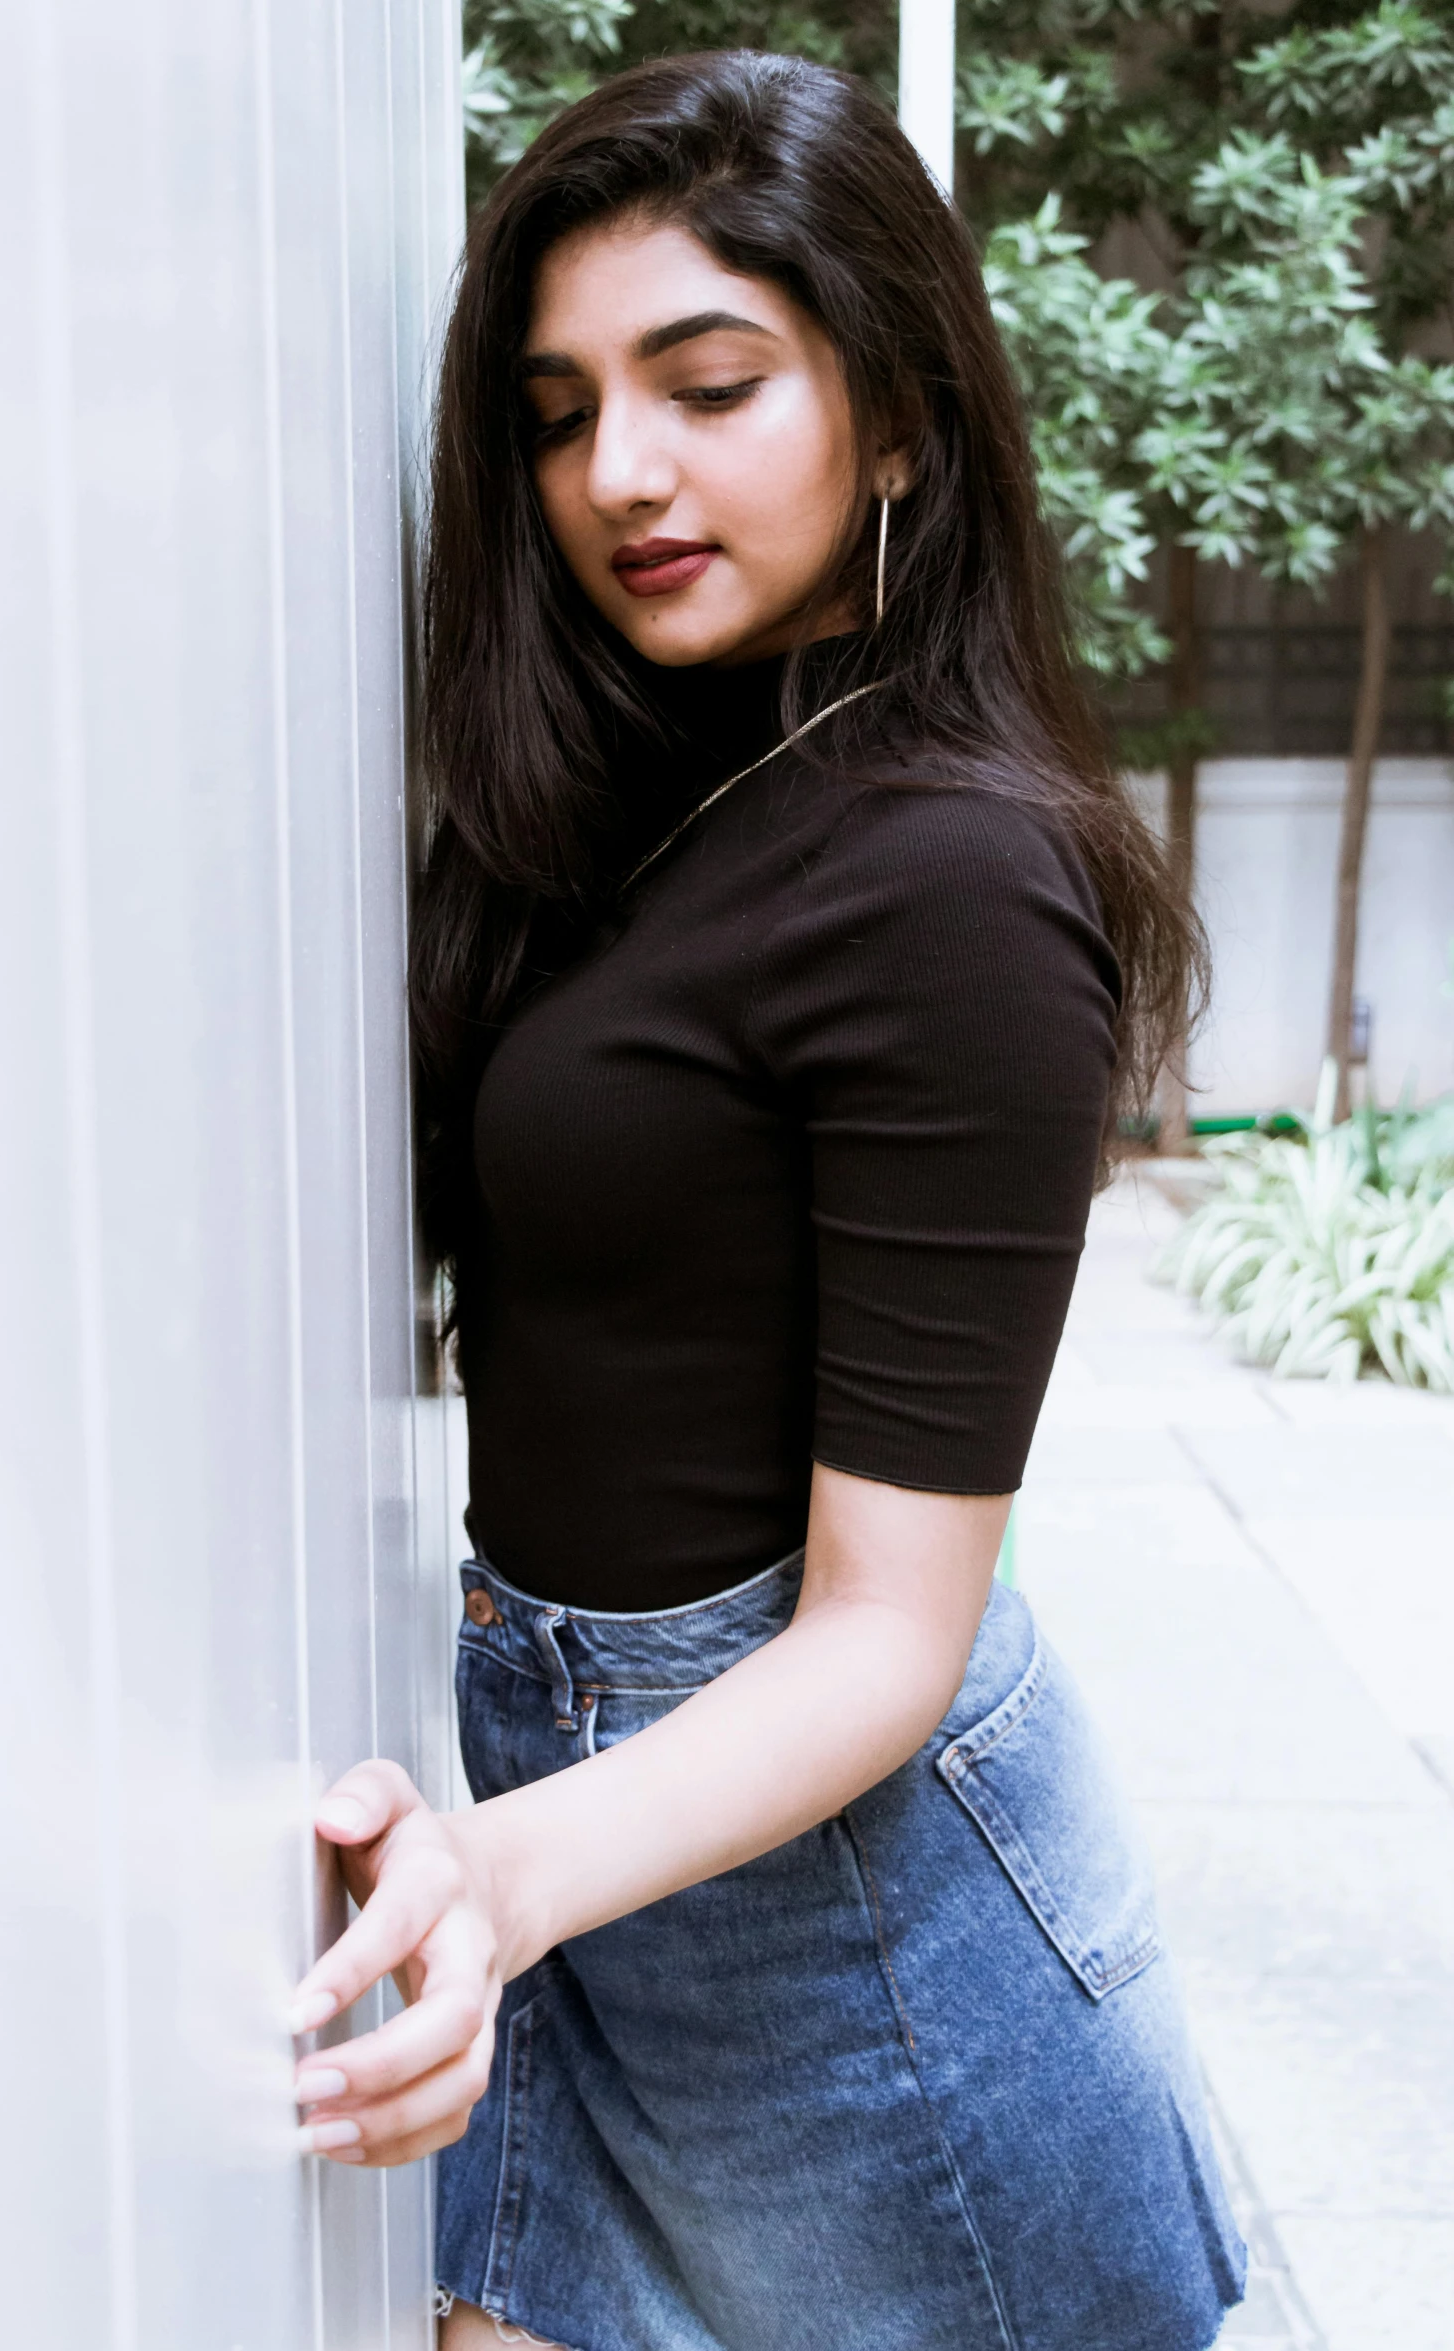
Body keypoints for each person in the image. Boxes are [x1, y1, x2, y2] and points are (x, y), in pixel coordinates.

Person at [284, 51, 1245, 2351]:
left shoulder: (952, 874)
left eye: (709, 385)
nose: (620, 472)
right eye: (556, 409)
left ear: (901, 419)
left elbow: (886, 1634)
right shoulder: (624, 798)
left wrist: (499, 1877)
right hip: (570, 1823)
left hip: (846, 1944)